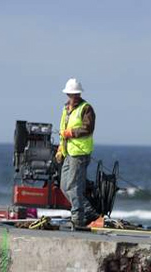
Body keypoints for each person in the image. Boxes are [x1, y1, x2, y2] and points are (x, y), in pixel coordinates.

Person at [55, 78, 97, 226]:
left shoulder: (86, 108)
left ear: (79, 94)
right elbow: (62, 131)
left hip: (80, 153)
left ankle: (78, 218)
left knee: (74, 186)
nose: (73, 96)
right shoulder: (65, 109)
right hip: (68, 152)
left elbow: (87, 128)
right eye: (70, 94)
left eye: (75, 94)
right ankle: (88, 210)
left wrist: (71, 133)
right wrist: (60, 149)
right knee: (64, 186)